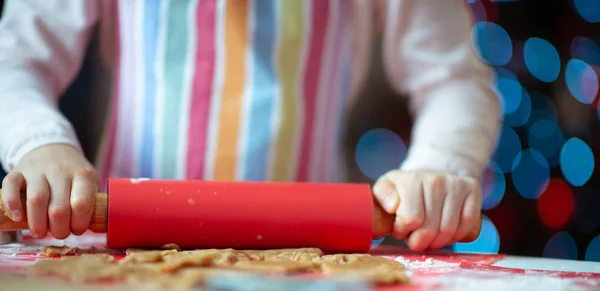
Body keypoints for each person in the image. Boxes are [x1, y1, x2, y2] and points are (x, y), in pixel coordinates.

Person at [0, 0, 500, 252]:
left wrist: (440, 164)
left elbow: (454, 80)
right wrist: (40, 143)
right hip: (113, 245)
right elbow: (16, 58)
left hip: (312, 265)